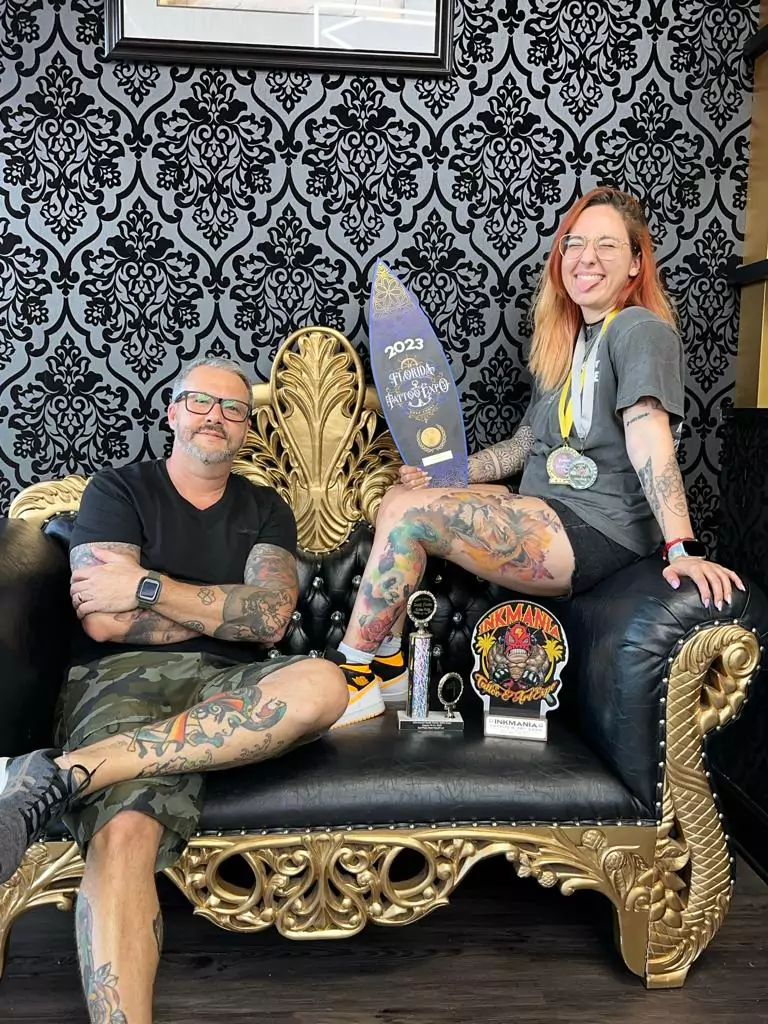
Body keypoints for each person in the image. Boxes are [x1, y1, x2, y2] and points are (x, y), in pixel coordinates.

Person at [0, 356, 349, 1024]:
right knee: (125, 832)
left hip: (230, 680)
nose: (216, 416)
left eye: (233, 408)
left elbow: (269, 620)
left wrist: (146, 585)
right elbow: (105, 622)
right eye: (200, 402)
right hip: (120, 677)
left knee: (324, 684)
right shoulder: (119, 490)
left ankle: (67, 773)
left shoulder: (265, 508)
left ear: (246, 427)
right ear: (172, 411)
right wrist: (220, 609)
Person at [325, 186, 743, 723]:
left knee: (411, 515)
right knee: (401, 499)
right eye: (576, 243)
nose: (587, 257)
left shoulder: (640, 329)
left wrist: (681, 546)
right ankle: (388, 667)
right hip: (547, 508)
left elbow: (649, 437)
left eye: (608, 246)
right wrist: (447, 475)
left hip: (596, 528)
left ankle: (353, 674)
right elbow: (526, 446)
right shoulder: (567, 341)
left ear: (637, 263)